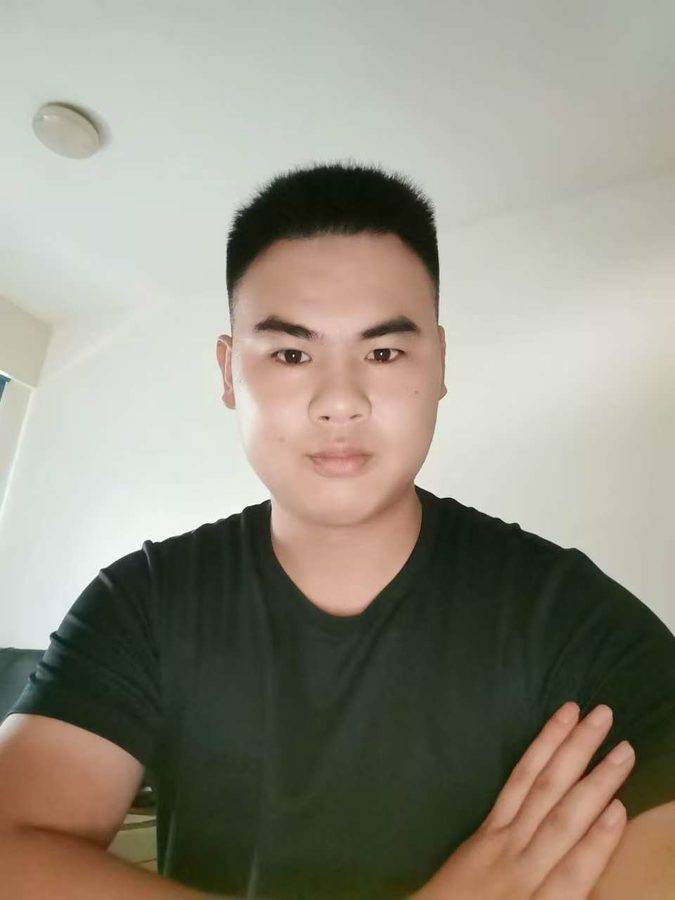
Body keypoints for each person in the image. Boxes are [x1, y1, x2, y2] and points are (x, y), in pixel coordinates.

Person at [1, 161, 674, 899]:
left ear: (439, 363)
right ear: (228, 373)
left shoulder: (569, 617)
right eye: (292, 354)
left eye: (382, 352)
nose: (340, 401)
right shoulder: (143, 603)